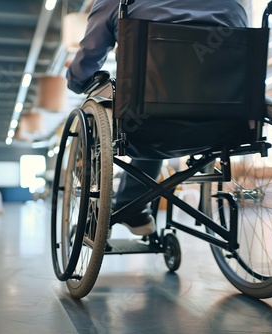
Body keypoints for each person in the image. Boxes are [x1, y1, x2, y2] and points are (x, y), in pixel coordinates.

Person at [66, 0, 248, 236]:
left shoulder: (119, 2)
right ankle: (132, 205)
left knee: (137, 117)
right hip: (224, 125)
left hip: (147, 121)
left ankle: (106, 210)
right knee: (155, 117)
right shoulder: (232, 4)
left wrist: (76, 82)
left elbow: (86, 64)